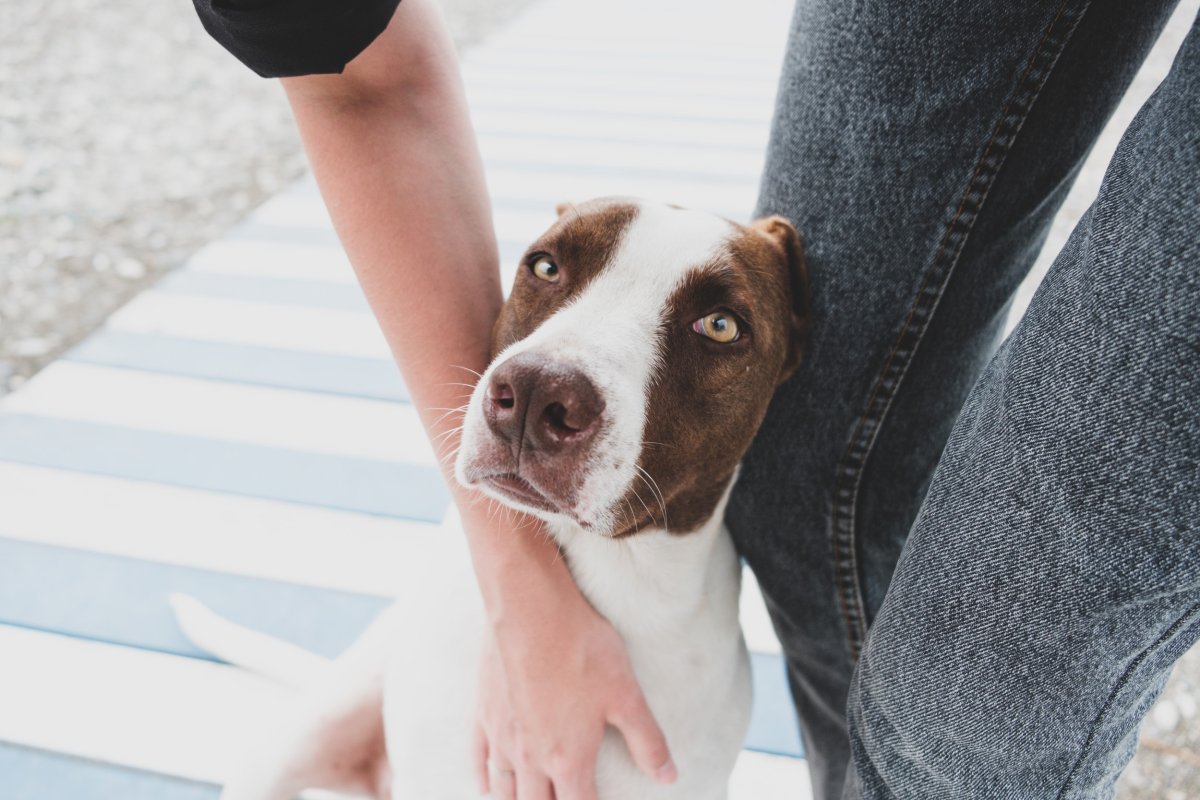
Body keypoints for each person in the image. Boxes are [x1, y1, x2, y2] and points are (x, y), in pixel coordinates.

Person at [193, 0, 1200, 798]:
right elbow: (360, 80)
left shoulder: (708, 698)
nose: (551, 368)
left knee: (989, 647)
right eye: (552, 268)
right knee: (821, 484)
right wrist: (512, 602)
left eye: (719, 323)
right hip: (431, 712)